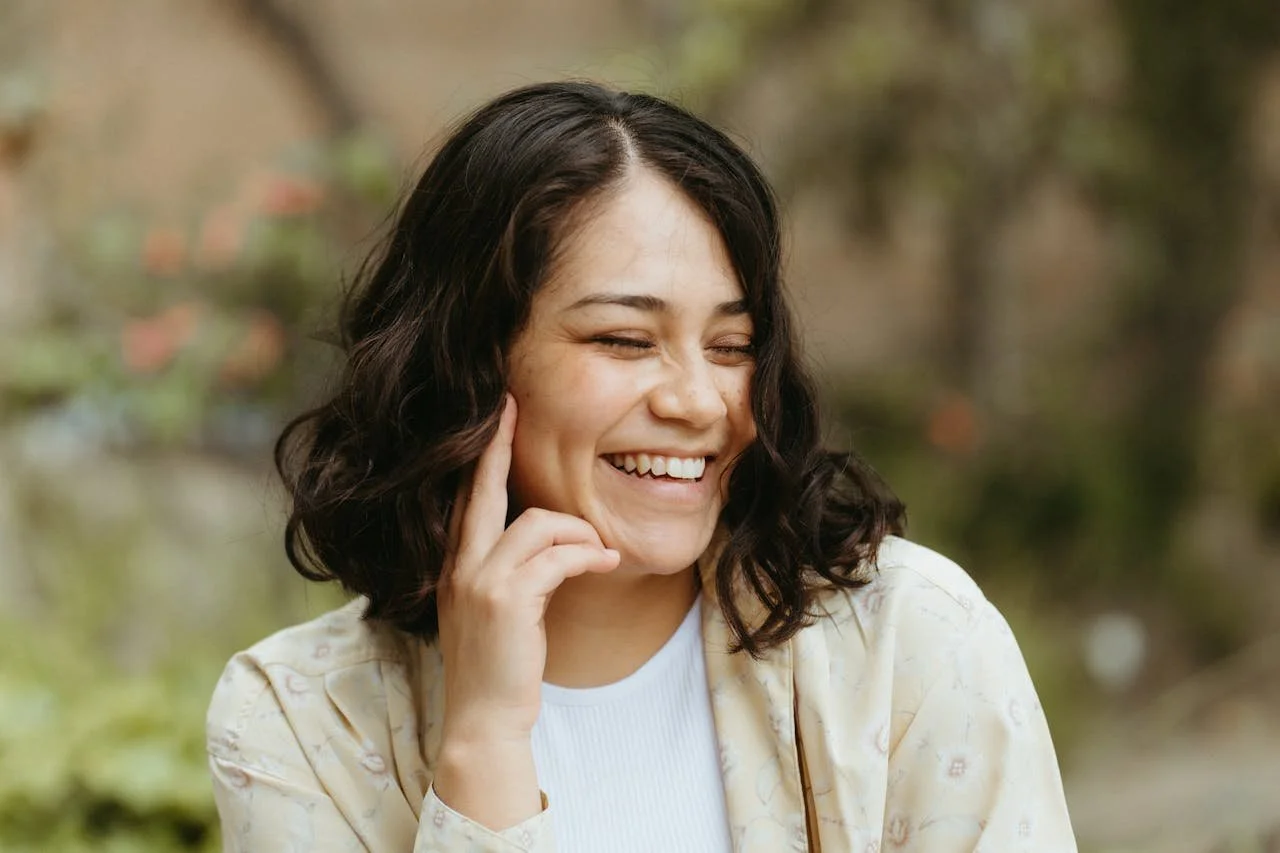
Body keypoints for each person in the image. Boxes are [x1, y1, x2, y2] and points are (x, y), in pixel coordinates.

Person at [206, 80, 1077, 852]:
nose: (699, 401)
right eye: (625, 340)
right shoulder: (299, 716)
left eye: (732, 345)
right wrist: (481, 745)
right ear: (468, 362)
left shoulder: (909, 644)